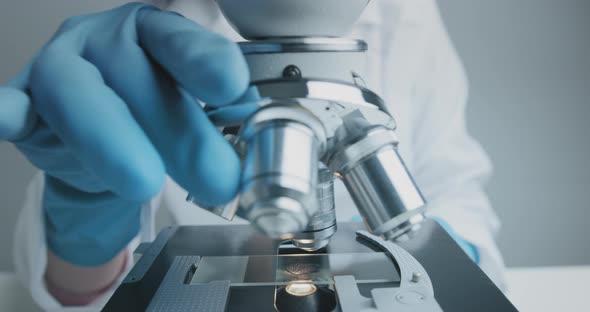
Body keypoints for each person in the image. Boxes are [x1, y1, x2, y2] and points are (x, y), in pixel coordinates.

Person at [0, 0, 506, 310]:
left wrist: (433, 249)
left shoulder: (407, 16)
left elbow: (456, 191)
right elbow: (70, 298)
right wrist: (84, 232)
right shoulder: (140, 43)